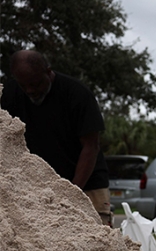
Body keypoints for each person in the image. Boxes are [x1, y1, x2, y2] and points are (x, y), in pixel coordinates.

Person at [1, 50, 112, 226]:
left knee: (97, 238)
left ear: (48, 71)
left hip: (87, 184)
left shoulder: (77, 94)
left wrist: (70, 192)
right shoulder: (11, 94)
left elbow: (91, 146)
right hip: (40, 188)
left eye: (35, 84)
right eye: (24, 85)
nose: (30, 90)